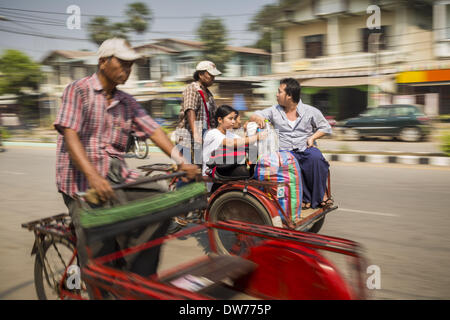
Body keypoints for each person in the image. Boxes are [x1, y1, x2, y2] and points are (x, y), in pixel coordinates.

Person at [54, 38, 199, 281]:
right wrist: (93, 177)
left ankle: (140, 278)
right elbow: (70, 136)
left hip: (117, 177)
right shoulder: (77, 90)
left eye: (131, 65)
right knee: (100, 250)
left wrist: (181, 161)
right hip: (81, 182)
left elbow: (154, 131)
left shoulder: (127, 102)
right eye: (123, 63)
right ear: (103, 62)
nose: (128, 69)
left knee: (162, 199)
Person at [250, 78, 333, 209]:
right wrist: (259, 118)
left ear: (289, 96)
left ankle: (321, 195)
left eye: (279, 92)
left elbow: (325, 128)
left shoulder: (310, 111)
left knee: (316, 158)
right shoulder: (274, 111)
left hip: (305, 147)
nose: (276, 95)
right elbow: (255, 114)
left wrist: (312, 138)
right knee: (291, 164)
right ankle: (305, 199)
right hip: (285, 151)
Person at [203, 105, 265, 191]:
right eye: (230, 118)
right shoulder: (212, 133)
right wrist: (257, 137)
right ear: (220, 120)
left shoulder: (231, 134)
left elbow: (245, 142)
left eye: (234, 119)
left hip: (227, 171)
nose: (233, 122)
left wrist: (249, 130)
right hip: (213, 175)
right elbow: (230, 143)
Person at [175, 60, 221, 165]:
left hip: (203, 137)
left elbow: (214, 115)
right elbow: (190, 110)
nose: (213, 78)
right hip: (188, 138)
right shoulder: (192, 89)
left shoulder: (209, 94)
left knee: (201, 168)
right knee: (189, 170)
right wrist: (196, 134)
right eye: (210, 75)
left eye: (214, 75)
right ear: (200, 74)